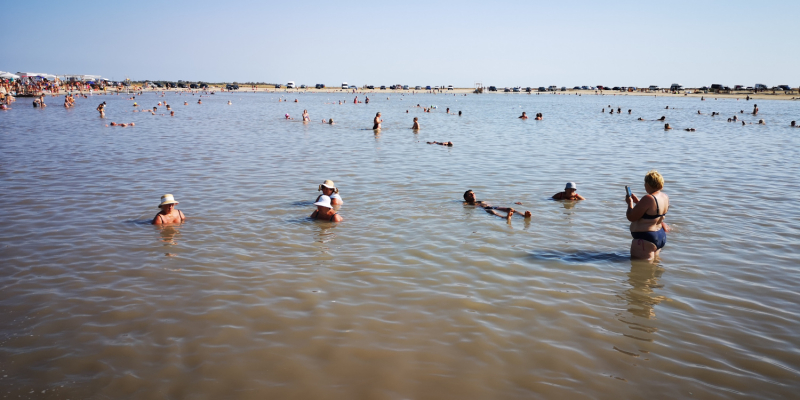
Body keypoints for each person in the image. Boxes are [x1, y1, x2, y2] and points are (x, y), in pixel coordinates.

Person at [626, 170, 670, 260]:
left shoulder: (648, 198)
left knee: (639, 272)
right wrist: (638, 202)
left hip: (645, 240)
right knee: (653, 268)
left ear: (648, 184)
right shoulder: (664, 196)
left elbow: (631, 217)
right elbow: (653, 213)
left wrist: (630, 203)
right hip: (659, 236)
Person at [463, 190, 531, 219]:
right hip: (485, 209)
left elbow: (497, 202)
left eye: (473, 193)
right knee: (492, 211)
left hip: (493, 206)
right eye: (470, 194)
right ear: (466, 198)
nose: (473, 195)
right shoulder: (467, 203)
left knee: (510, 209)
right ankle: (504, 218)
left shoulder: (481, 201)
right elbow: (460, 205)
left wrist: (513, 203)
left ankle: (523, 216)